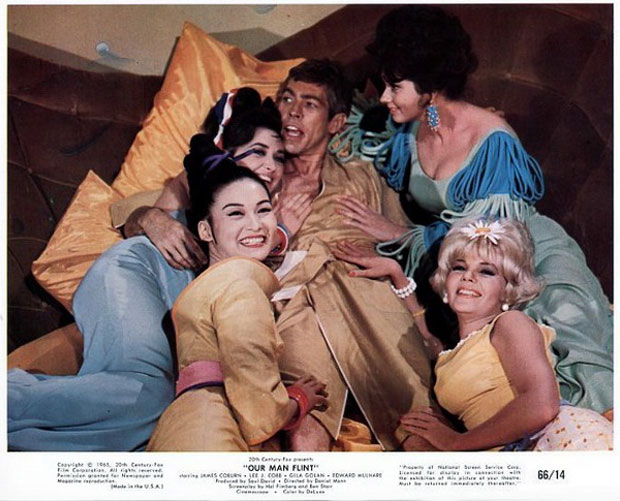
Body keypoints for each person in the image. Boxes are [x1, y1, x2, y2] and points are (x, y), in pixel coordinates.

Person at [333, 5, 613, 414]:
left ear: (429, 86)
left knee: (570, 335)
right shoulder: (411, 128)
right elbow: (358, 130)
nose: (386, 96)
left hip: (529, 252)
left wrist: (398, 236)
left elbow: (492, 239)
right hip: (467, 265)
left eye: (395, 86)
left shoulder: (493, 140)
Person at [7, 90, 299, 451]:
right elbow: (134, 221)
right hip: (138, 273)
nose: (270, 165)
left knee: (149, 419)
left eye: (279, 157)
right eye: (258, 152)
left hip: (175, 309)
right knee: (145, 394)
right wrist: (150, 217)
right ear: (228, 151)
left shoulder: (274, 215)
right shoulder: (200, 179)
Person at [335, 217, 613, 451]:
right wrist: (396, 274)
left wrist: (456, 442)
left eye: (486, 271)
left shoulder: (510, 323)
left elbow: (542, 405)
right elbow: (428, 339)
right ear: (446, 279)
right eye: (460, 267)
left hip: (559, 439)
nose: (469, 277)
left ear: (507, 290)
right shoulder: (457, 350)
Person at [270, 59, 435, 451]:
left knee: (417, 417)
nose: (293, 111)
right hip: (296, 303)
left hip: (367, 295)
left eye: (310, 104)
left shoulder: (364, 175)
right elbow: (187, 207)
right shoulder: (255, 173)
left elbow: (415, 247)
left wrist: (391, 244)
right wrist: (150, 217)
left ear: (337, 123)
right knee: (305, 416)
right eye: (287, 99)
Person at [146, 150, 327, 451]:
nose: (255, 225)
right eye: (235, 213)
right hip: (214, 428)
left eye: (263, 210)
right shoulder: (240, 284)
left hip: (184, 423)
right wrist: (298, 400)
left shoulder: (214, 283)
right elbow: (260, 410)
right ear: (205, 230)